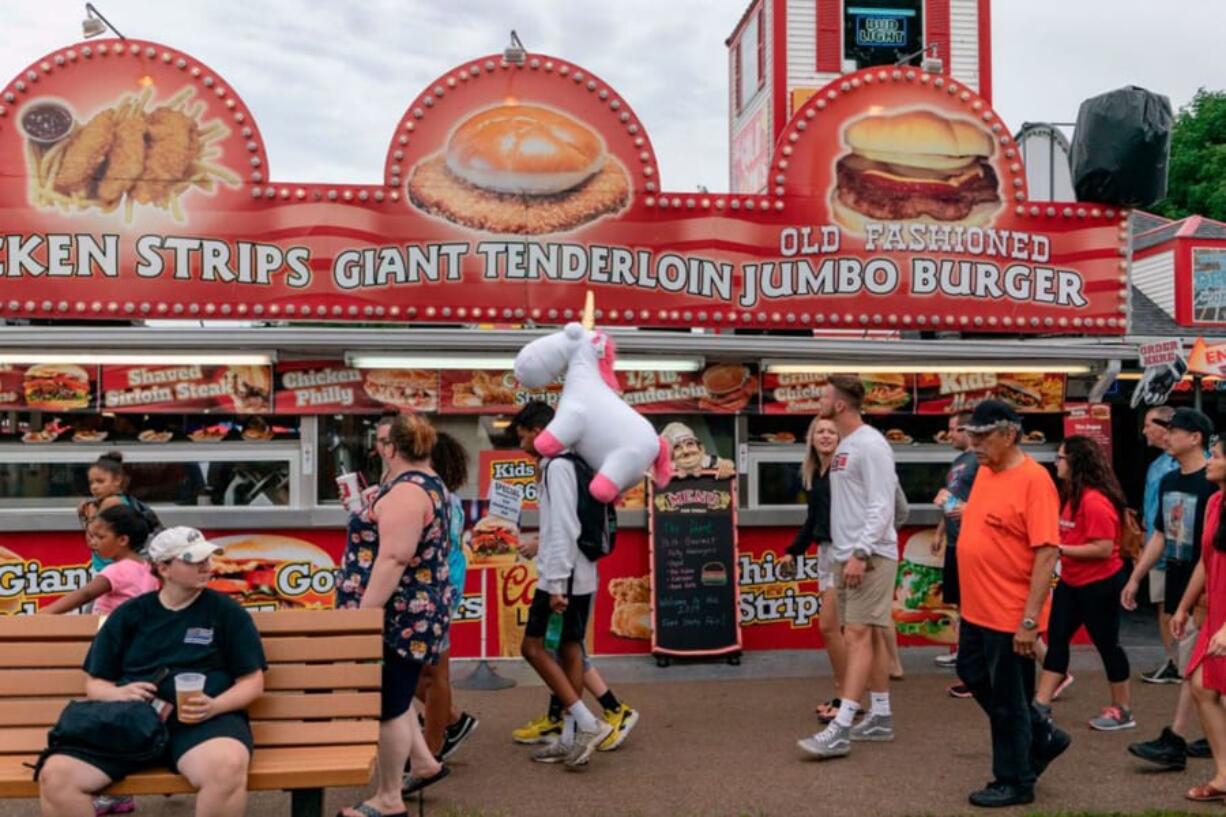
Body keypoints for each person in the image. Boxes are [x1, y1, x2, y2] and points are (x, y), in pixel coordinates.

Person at [38, 527, 266, 817]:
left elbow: (252, 682)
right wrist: (118, 694)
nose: (205, 566)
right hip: (133, 722)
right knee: (56, 776)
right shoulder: (130, 614)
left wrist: (214, 705)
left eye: (207, 558)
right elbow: (95, 684)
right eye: (193, 560)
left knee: (227, 767)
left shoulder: (226, 611)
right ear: (164, 568)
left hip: (203, 723)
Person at [336, 414, 452, 817]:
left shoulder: (407, 492)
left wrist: (362, 619)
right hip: (409, 613)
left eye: (382, 443)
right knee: (398, 695)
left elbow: (393, 558)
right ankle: (422, 763)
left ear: (390, 448)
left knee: (386, 704)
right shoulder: (425, 483)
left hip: (396, 616)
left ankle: (387, 799)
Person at [954, 400, 1068, 808]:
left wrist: (1029, 620)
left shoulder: (1035, 480)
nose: (974, 443)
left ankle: (1015, 780)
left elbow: (1047, 553)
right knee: (971, 672)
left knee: (1007, 701)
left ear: (1010, 435)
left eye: (983, 436)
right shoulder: (985, 471)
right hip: (977, 608)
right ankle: (1041, 735)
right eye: (972, 434)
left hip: (1009, 612)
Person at [798, 375, 899, 759]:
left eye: (824, 396)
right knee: (867, 636)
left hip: (867, 556)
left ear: (840, 405)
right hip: (847, 555)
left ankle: (842, 725)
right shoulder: (848, 445)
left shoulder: (870, 445)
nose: (818, 400)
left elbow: (881, 504)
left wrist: (860, 552)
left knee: (856, 634)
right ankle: (881, 717)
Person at [511, 400, 614, 767]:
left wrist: (554, 584)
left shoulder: (556, 467)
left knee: (532, 648)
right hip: (578, 572)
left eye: (522, 434)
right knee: (569, 648)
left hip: (563, 576)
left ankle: (587, 723)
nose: (519, 442)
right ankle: (571, 736)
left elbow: (565, 526)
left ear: (539, 433)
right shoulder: (574, 463)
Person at [1124, 407, 1218, 771]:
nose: (1167, 435)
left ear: (1195, 437)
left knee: (1194, 663)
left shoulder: (1212, 481)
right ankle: (1206, 734)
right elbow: (1162, 534)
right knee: (1196, 663)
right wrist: (1137, 576)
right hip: (1180, 576)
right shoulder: (1169, 480)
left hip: (1206, 583)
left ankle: (1175, 739)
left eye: (1175, 430)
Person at [1035, 436, 1134, 731]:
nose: (1056, 463)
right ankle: (1040, 704)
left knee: (1107, 645)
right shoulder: (1072, 495)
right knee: (1057, 639)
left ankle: (1123, 709)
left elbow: (1103, 548)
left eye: (1061, 457)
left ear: (1076, 462)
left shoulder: (1095, 500)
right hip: (1071, 580)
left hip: (1100, 583)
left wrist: (1059, 549)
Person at [413, 432, 479, 761]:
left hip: (438, 586)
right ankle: (451, 721)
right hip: (444, 581)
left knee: (431, 670)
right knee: (422, 669)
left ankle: (434, 745)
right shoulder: (445, 496)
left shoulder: (435, 497)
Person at [780, 417, 846, 721]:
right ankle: (848, 696)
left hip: (845, 554)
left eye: (832, 431)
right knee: (841, 631)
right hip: (824, 552)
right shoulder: (814, 473)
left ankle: (847, 697)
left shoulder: (844, 470)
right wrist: (793, 551)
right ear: (811, 438)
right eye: (820, 431)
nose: (826, 435)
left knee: (830, 628)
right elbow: (812, 520)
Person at [1174, 433, 1226, 802]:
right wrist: (1183, 605)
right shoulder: (1215, 503)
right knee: (1201, 686)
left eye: (1217, 455)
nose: (1209, 460)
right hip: (1218, 609)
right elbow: (1207, 562)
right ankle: (1224, 775)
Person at [41, 505, 158, 617]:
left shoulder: (117, 570)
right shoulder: (147, 567)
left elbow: (85, 594)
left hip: (112, 633)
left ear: (123, 540)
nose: (93, 542)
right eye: (92, 536)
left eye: (100, 537)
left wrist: (45, 613)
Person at [932, 411, 977, 697]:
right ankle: (963, 652)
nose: (951, 435)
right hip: (954, 541)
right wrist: (940, 530)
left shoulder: (978, 462)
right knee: (961, 603)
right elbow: (954, 498)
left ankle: (972, 664)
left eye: (955, 429)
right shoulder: (959, 462)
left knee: (974, 605)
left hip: (970, 543)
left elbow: (978, 502)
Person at [1140, 406, 1182, 684]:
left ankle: (1178, 663)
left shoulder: (1178, 464)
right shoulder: (1158, 464)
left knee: (1172, 607)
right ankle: (1173, 660)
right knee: (1164, 605)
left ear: (1165, 427)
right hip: (1157, 546)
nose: (1144, 431)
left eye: (1148, 425)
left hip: (1173, 549)